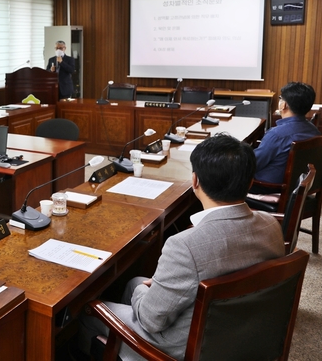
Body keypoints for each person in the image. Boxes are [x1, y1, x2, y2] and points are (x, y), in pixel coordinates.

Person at [77, 133, 285, 360]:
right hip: (242, 332)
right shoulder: (271, 225)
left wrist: (145, 290)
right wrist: (148, 287)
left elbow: (150, 321)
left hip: (186, 348)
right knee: (133, 283)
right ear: (250, 182)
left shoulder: (185, 246)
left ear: (195, 181)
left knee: (91, 312)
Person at [252, 82, 319, 189]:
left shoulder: (276, 134)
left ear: (284, 105)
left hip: (268, 187)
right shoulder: (315, 131)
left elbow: (253, 164)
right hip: (297, 187)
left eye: (280, 98)